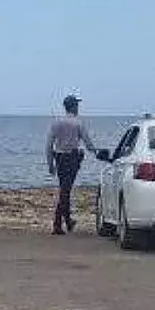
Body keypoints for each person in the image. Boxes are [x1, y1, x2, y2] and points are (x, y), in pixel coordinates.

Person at [46, 94, 104, 235]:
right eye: (77, 105)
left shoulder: (56, 122)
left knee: (65, 189)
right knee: (65, 191)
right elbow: (88, 143)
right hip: (72, 158)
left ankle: (68, 221)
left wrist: (50, 164)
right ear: (74, 106)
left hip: (59, 158)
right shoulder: (78, 123)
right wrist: (97, 152)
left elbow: (49, 145)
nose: (78, 107)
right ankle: (57, 223)